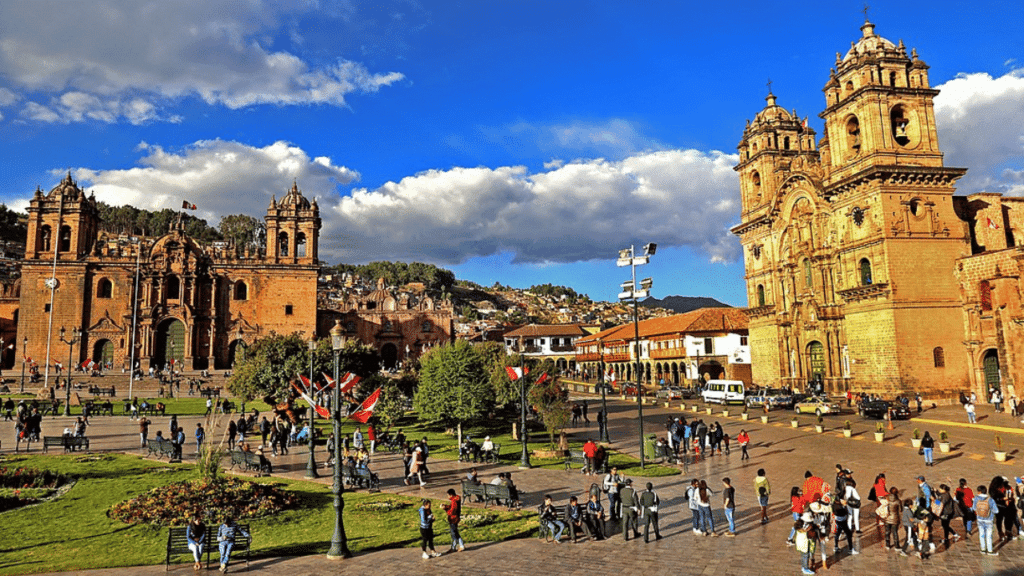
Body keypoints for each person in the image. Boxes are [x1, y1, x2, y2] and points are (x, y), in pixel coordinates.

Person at [973, 485, 998, 555]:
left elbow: (974, 508)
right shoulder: (990, 499)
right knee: (989, 535)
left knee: (981, 534)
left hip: (980, 519)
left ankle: (983, 549)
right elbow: (996, 511)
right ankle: (989, 550)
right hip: (989, 520)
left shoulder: (976, 498)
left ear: (979, 491)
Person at [879, 487, 903, 552]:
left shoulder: (887, 499)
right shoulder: (898, 501)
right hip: (895, 519)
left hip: (887, 518)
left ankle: (887, 545)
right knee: (894, 532)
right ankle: (896, 546)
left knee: (887, 532)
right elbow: (901, 510)